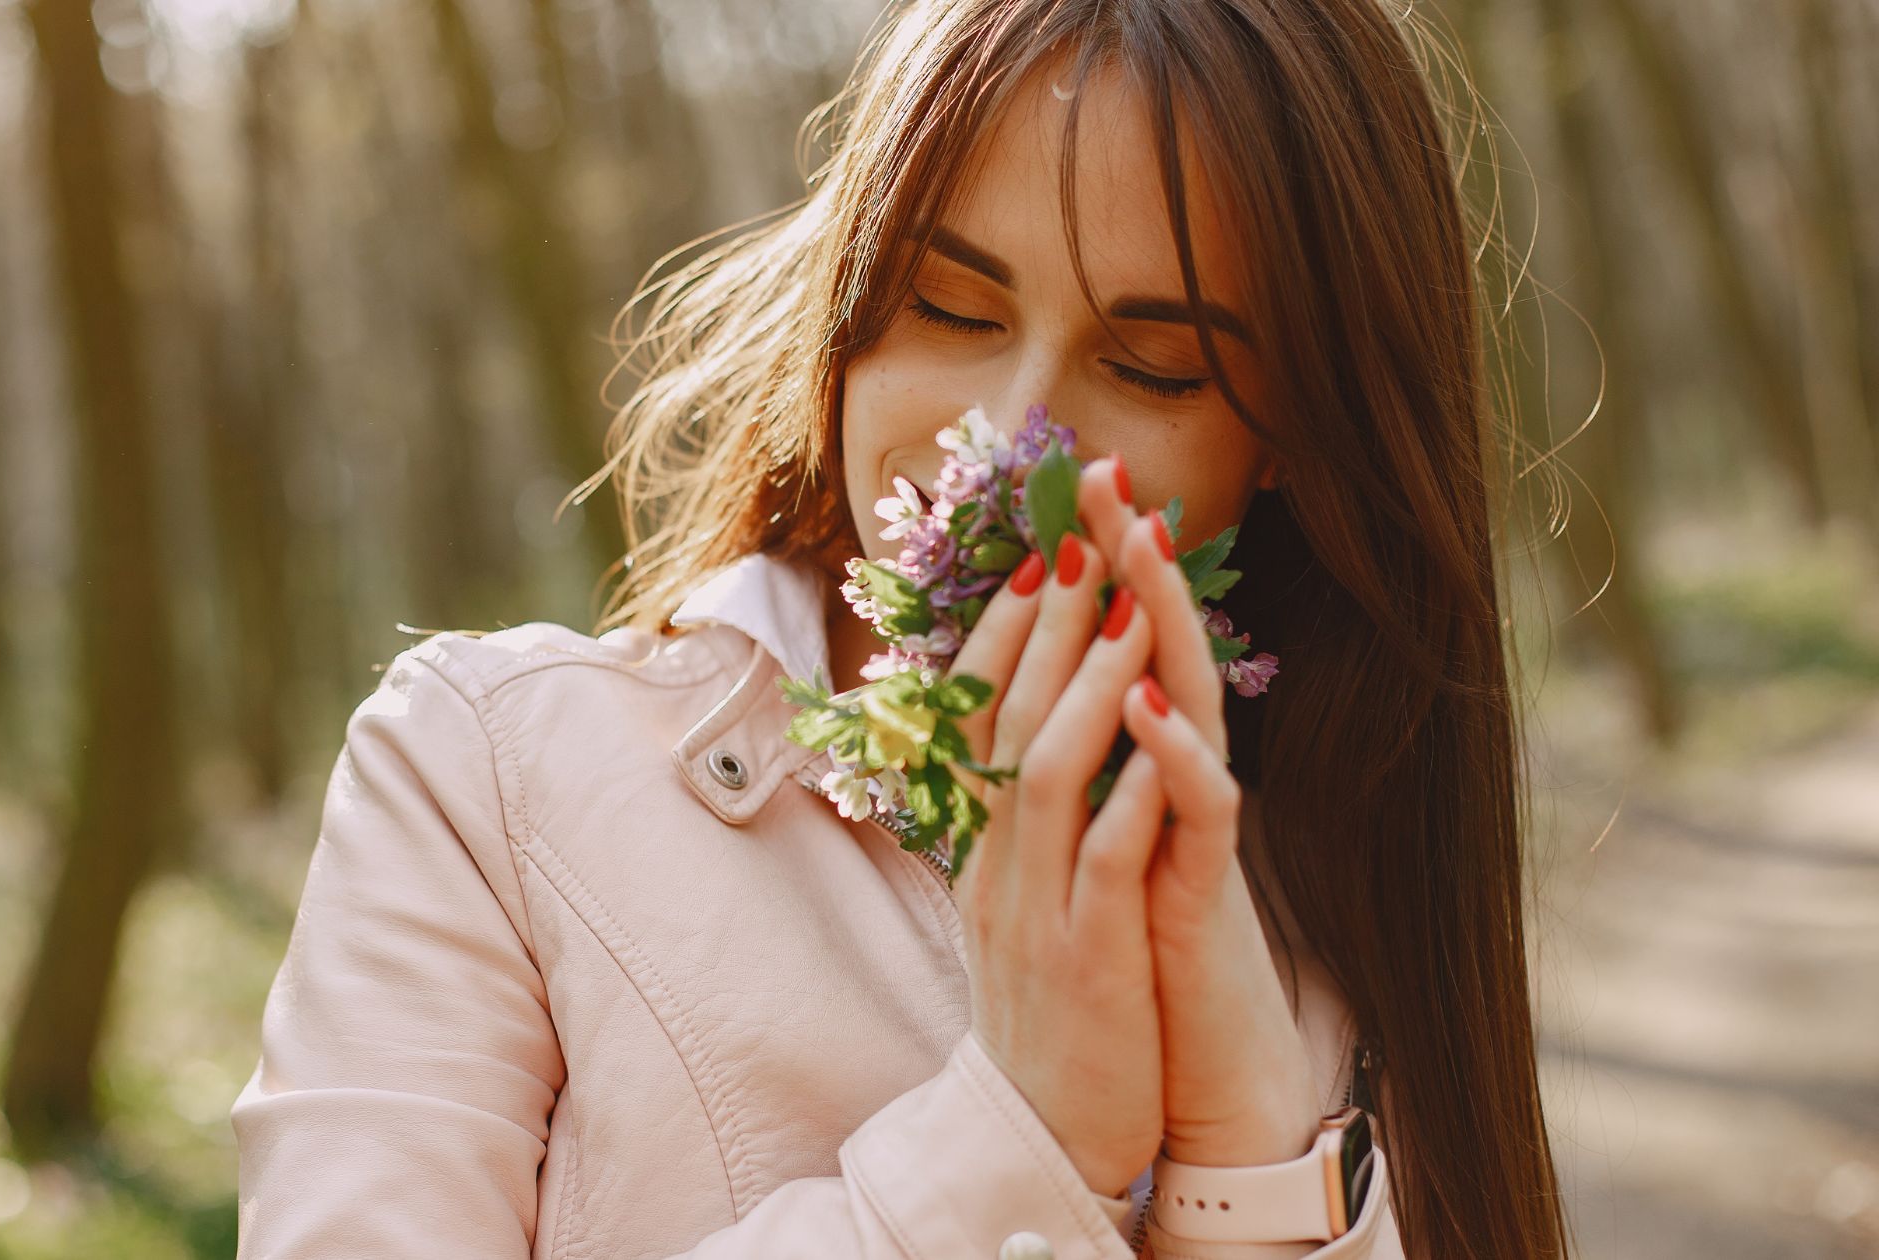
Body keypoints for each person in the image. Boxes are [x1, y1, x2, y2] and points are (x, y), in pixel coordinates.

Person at [231, 0, 1568, 1256]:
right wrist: (1024, 1138)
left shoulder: (1334, 898)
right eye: (951, 306)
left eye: (1153, 366)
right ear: (853, 298)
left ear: (1292, 435)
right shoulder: (490, 784)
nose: (1009, 432)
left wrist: (1250, 1168)